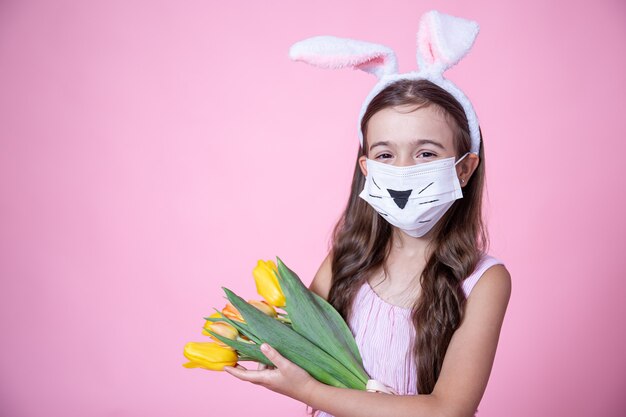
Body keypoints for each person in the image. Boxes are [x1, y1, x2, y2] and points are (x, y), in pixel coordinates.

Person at [224, 10, 512, 417]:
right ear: (366, 170)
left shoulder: (483, 281)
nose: (403, 172)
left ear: (463, 168)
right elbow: (300, 345)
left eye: (426, 153)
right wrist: (255, 334)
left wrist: (306, 391)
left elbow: (448, 411)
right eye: (385, 155)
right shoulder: (347, 259)